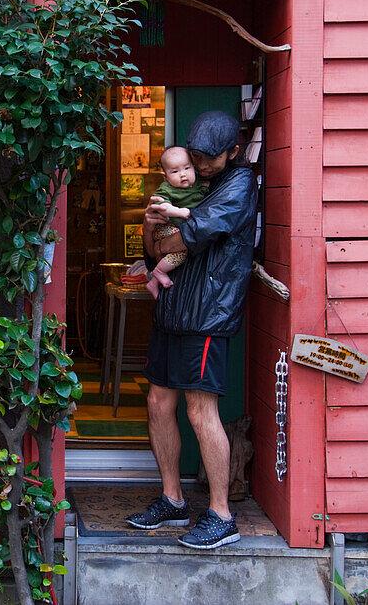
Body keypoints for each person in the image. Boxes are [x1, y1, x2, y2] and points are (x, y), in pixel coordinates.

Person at [125, 110, 257, 551]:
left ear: (233, 152)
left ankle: (221, 514)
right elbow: (154, 246)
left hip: (207, 314)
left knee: (202, 411)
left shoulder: (239, 184)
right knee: (159, 402)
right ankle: (172, 498)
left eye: (209, 159)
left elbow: (192, 234)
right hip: (172, 308)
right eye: (195, 157)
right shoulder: (191, 182)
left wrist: (166, 237)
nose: (199, 166)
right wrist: (149, 229)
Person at [144, 146, 208, 299]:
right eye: (175, 171)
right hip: (166, 227)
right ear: (165, 176)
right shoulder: (167, 189)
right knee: (181, 249)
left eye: (187, 168)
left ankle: (154, 281)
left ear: (194, 168)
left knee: (183, 243)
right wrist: (180, 212)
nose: (183, 174)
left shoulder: (199, 184)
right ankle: (158, 272)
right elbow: (162, 206)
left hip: (179, 230)